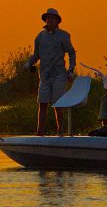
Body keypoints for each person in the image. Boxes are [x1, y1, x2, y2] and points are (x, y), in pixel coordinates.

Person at [24, 8, 76, 136]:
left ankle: (60, 131)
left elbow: (71, 53)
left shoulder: (64, 35)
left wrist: (70, 69)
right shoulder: (40, 37)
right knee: (42, 103)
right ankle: (40, 131)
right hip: (44, 76)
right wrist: (28, 64)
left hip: (59, 74)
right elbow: (36, 55)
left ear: (57, 21)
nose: (49, 20)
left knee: (58, 104)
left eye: (52, 18)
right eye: (48, 18)